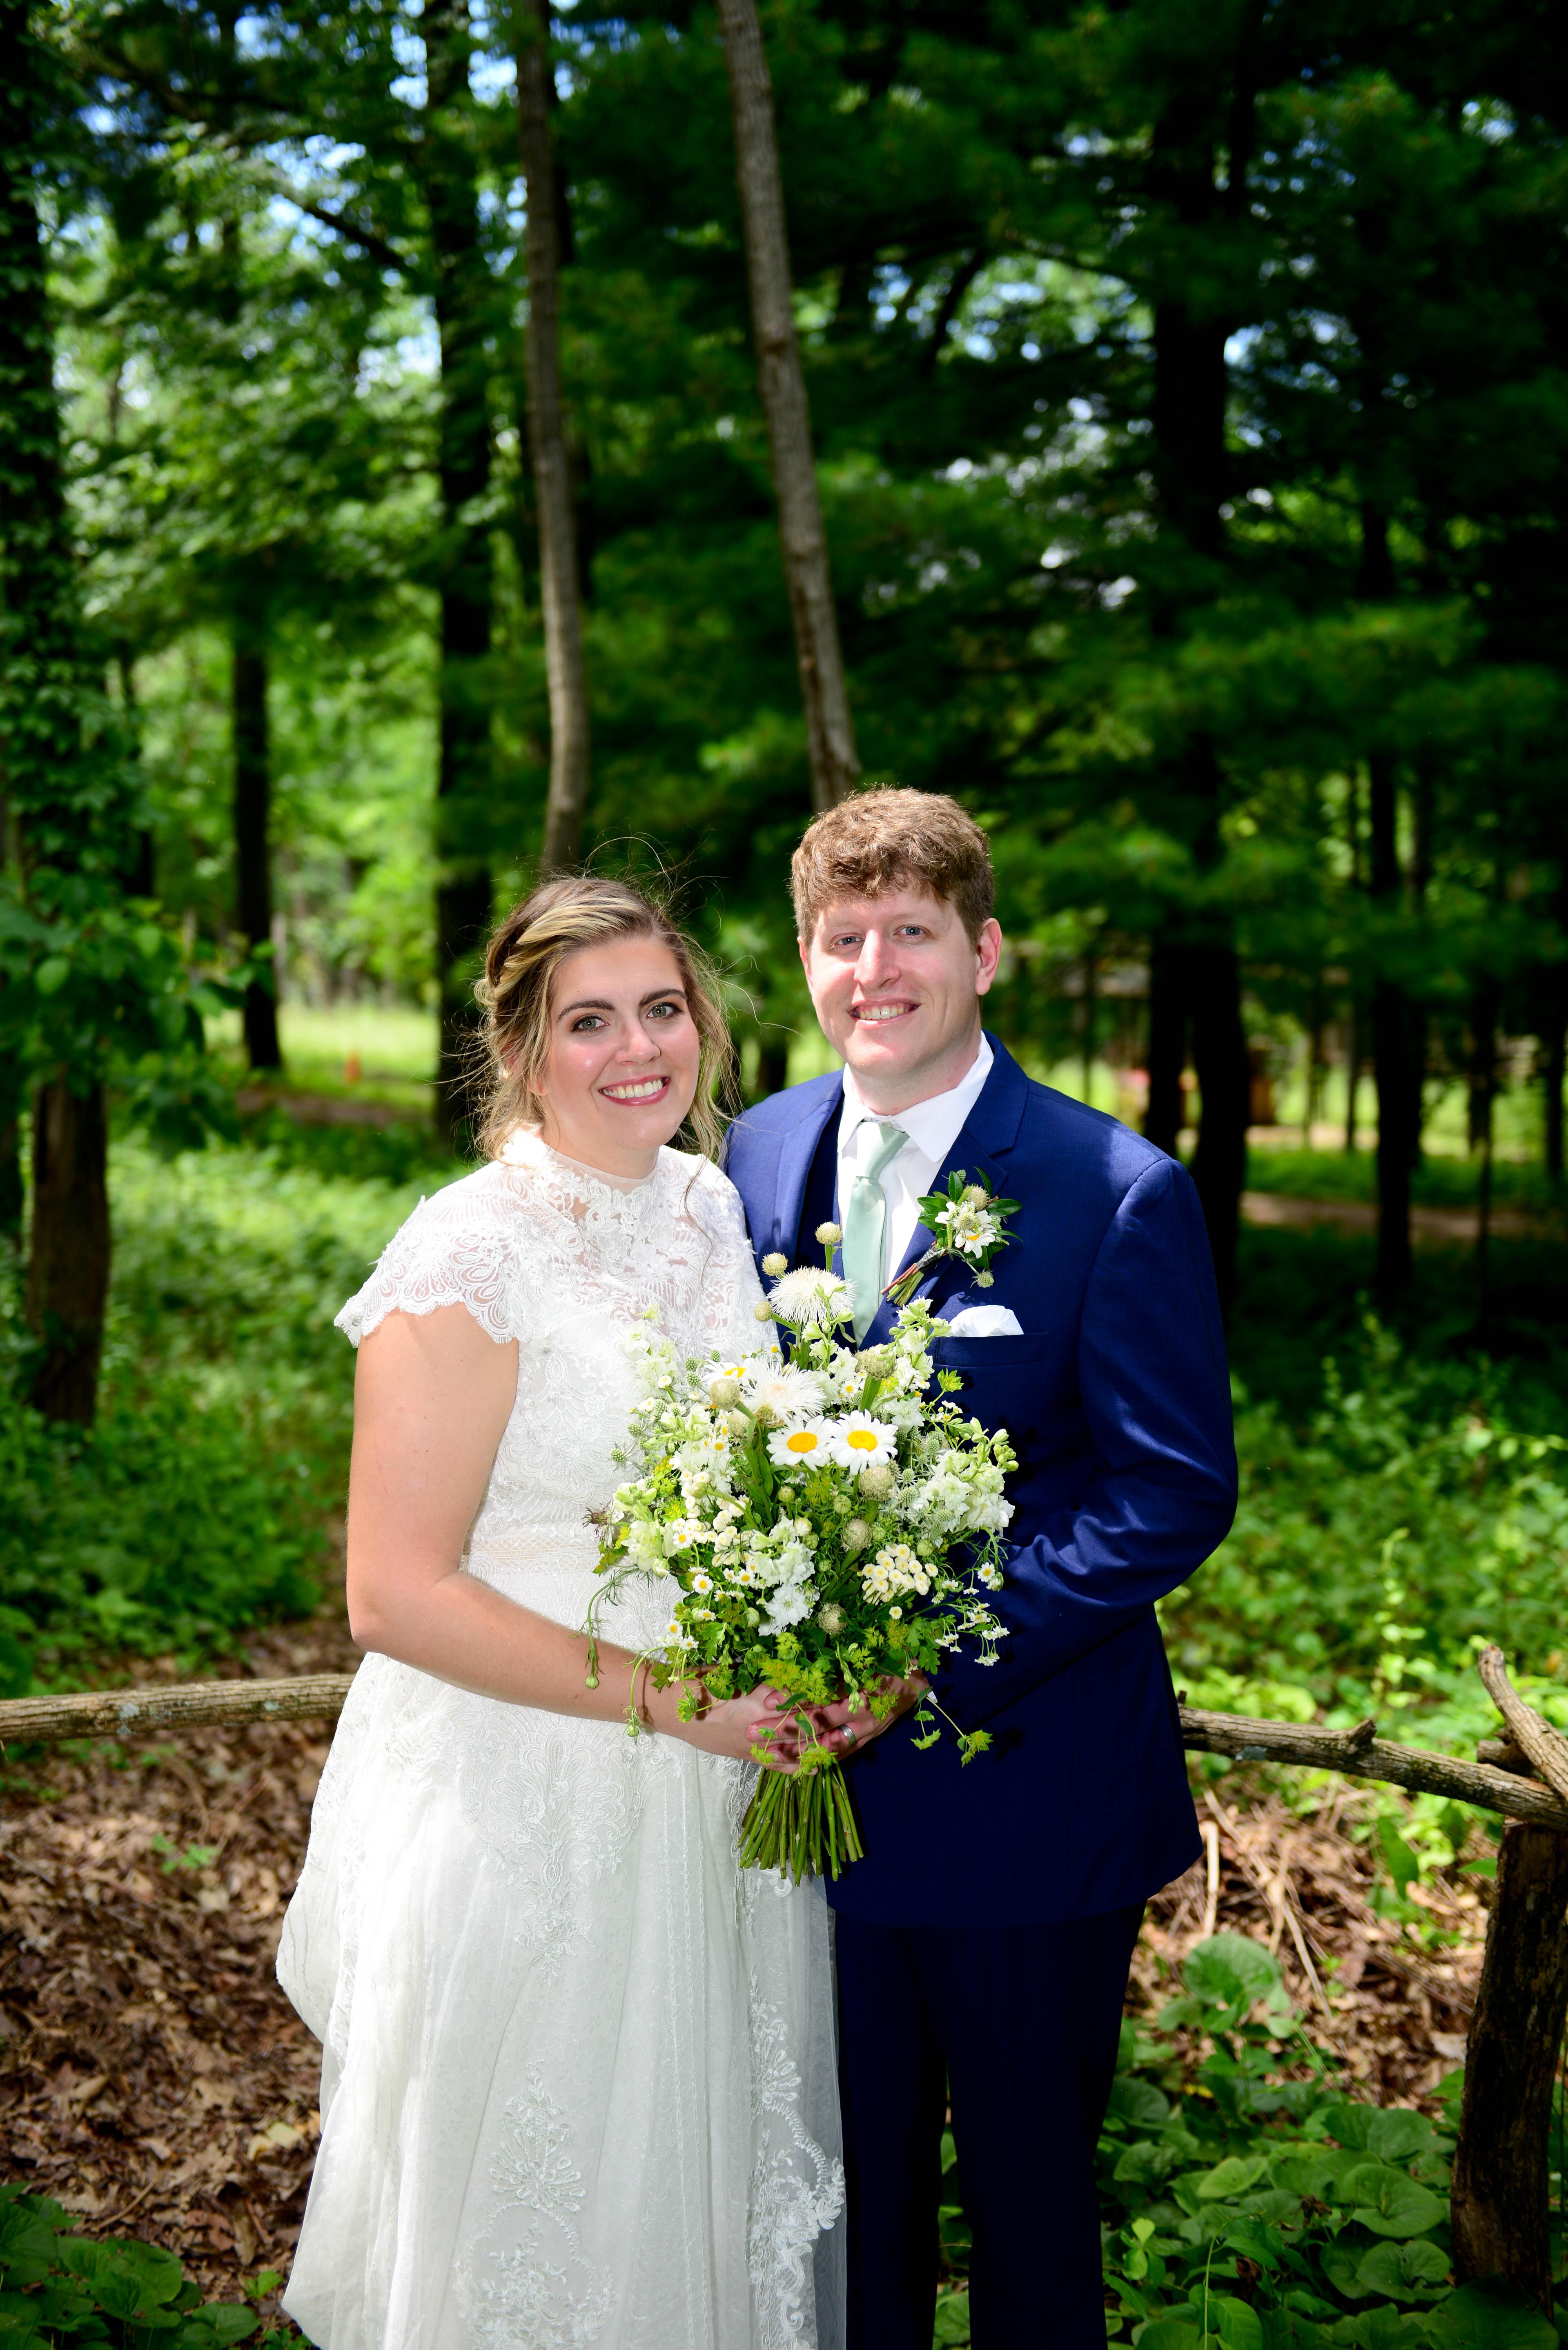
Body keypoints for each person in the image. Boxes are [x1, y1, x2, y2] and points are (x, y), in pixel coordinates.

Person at [277, 876, 845, 2350]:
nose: (639, 1048)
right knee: (542, 2209)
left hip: (710, 1793)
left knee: (687, 2196)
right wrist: (680, 1702)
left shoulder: (710, 1207)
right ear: (522, 1051)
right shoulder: (466, 1252)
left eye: (663, 1008)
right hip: (532, 1787)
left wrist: (821, 1640)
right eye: (590, 1022)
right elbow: (392, 1589)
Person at [723, 789, 1238, 2350]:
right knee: (839, 2218)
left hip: (1029, 1803)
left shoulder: (1112, 1186)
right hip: (803, 1812)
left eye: (914, 932)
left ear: (986, 952)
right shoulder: (753, 1150)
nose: (876, 968)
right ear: (807, 960)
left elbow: (1171, 1492)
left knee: (1028, 2222)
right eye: (844, 937)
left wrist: (928, 1651)